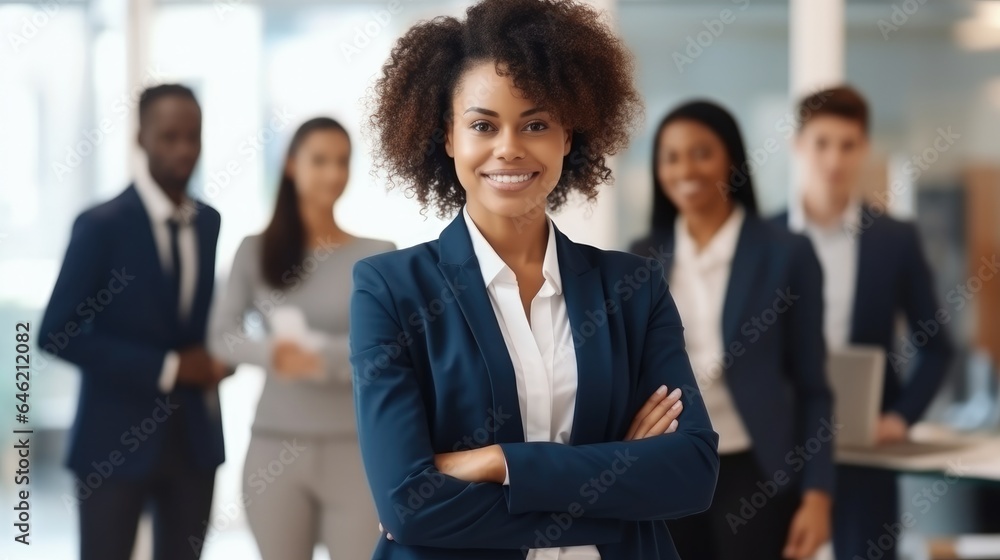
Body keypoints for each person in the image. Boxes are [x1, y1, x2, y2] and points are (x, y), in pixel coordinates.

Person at [349, 0, 720, 558]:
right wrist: (619, 491)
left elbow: (691, 471)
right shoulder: (390, 290)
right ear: (447, 136)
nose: (509, 148)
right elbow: (411, 508)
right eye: (482, 125)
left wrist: (503, 463)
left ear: (568, 136)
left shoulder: (633, 288)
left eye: (536, 124)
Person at [629, 100, 834, 560]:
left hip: (755, 469)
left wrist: (819, 495)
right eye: (671, 156)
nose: (686, 168)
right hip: (669, 467)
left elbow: (813, 387)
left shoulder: (786, 253)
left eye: (702, 152)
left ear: (732, 160)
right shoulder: (642, 257)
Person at [39, 84, 229, 560]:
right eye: (169, 136)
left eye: (193, 136)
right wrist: (167, 367)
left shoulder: (209, 222)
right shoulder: (101, 225)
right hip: (112, 444)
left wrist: (227, 354)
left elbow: (195, 322)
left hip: (194, 445)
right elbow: (56, 333)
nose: (184, 148)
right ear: (140, 137)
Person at [772, 85, 955, 560]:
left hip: (864, 454)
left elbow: (936, 346)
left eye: (848, 145)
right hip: (777, 452)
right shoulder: (763, 239)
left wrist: (900, 418)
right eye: (822, 143)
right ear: (798, 146)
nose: (834, 159)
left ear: (864, 148)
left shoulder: (895, 239)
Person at [207, 117, 394, 560]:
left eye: (343, 161)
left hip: (356, 450)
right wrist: (272, 352)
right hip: (275, 447)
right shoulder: (255, 250)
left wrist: (323, 359)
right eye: (320, 160)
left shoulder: (378, 255)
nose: (333, 173)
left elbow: (390, 349)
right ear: (291, 165)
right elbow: (221, 336)